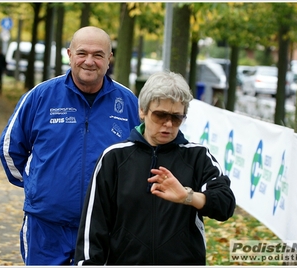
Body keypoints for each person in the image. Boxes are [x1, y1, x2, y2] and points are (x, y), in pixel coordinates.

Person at [0, 26, 140, 265]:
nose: (89, 61)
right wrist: (37, 186)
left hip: (105, 228)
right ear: (69, 54)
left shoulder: (127, 103)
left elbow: (142, 157)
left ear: (109, 59)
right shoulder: (41, 95)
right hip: (46, 227)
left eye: (98, 55)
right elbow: (9, 149)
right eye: (82, 53)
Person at [75, 71, 236, 265]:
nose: (168, 124)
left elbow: (225, 204)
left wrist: (188, 197)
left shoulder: (197, 156)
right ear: (142, 111)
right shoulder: (114, 158)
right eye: (160, 115)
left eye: (177, 118)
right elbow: (93, 228)